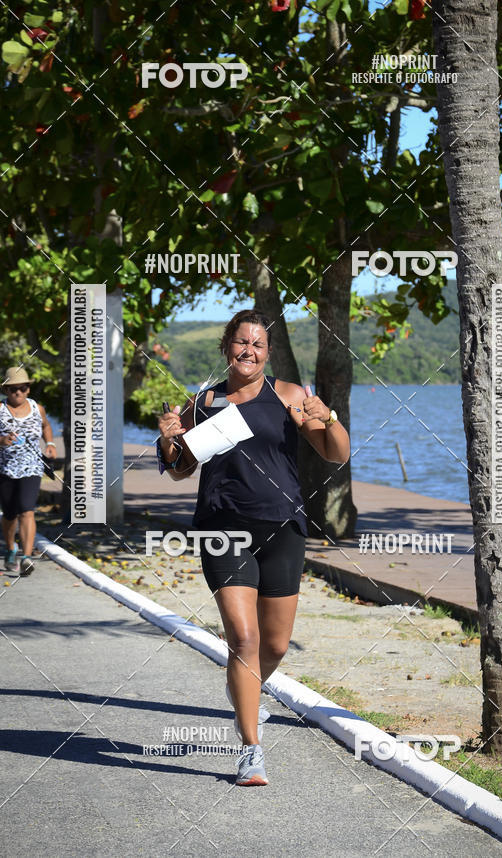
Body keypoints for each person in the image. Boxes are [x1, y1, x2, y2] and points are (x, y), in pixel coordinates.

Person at [157, 310, 350, 785]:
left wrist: (326, 419)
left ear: (268, 352)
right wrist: (169, 442)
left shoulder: (287, 395)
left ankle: (244, 693)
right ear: (227, 347)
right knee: (243, 640)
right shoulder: (202, 402)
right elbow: (181, 469)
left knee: (276, 644)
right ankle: (250, 749)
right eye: (241, 342)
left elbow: (336, 453)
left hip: (283, 527)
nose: (249, 351)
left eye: (258, 345)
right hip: (224, 528)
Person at [0, 367, 56, 576]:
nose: (18, 392)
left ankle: (26, 557)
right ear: (6, 390)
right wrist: (2, 441)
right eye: (13, 389)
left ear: (28, 389)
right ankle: (10, 548)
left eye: (23, 388)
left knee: (27, 509)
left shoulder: (37, 408)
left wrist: (49, 443)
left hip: (32, 467)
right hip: (4, 468)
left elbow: (46, 426)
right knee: (10, 513)